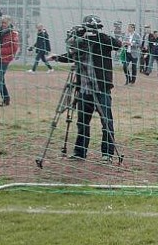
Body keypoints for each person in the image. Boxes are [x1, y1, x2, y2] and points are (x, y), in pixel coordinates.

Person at [51, 14, 122, 161]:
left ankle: (107, 153)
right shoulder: (81, 43)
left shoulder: (102, 42)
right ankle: (80, 152)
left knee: (106, 122)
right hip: (84, 90)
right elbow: (71, 55)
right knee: (82, 122)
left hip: (101, 89)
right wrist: (56, 57)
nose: (91, 32)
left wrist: (98, 35)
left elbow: (117, 44)